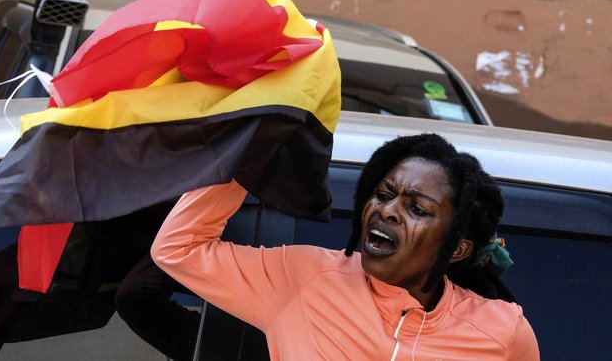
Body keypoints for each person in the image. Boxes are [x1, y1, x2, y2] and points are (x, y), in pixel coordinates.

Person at [151, 132, 540, 360]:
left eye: (416, 208)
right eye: (383, 194)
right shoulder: (305, 278)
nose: (386, 211)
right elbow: (179, 248)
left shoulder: (503, 333)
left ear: (457, 248)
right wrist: (250, 147)